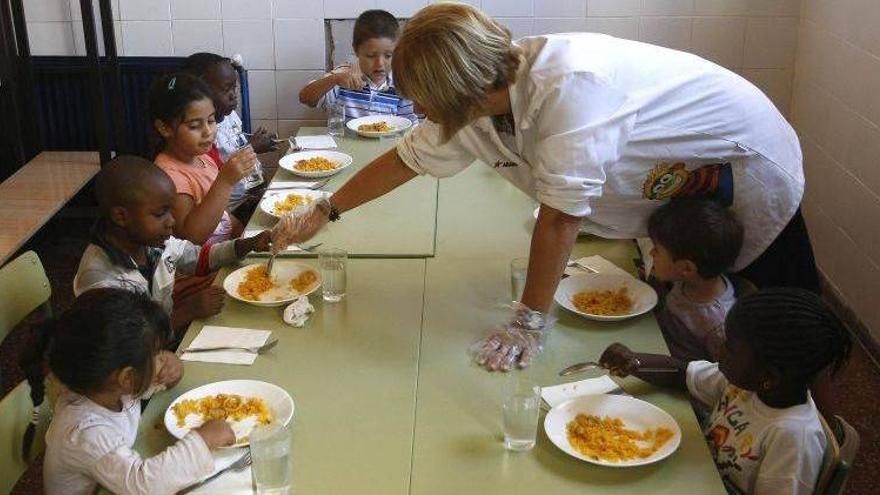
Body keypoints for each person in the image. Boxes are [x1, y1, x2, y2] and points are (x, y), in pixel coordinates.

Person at [273, 3, 817, 371]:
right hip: (675, 194)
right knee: (706, 317)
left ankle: (814, 437)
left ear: (459, 87)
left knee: (785, 330)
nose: (415, 109)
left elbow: (561, 217)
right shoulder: (480, 97)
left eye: (422, 96)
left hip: (743, 167)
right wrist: (327, 208)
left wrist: (527, 323)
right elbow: (405, 157)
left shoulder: (568, 86)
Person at [599, 288, 852, 495]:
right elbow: (682, 373)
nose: (719, 350)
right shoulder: (748, 385)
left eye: (729, 347)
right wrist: (634, 361)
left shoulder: (793, 439)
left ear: (768, 376)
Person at [26, 288, 235, 495]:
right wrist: (203, 440)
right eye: (155, 354)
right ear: (127, 378)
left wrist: (173, 371)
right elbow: (144, 485)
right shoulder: (84, 433)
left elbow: (146, 387)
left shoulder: (107, 386)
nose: (162, 356)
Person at [73, 155, 271, 333]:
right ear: (121, 216)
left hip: (161, 343)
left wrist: (246, 245)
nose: (172, 221)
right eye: (160, 214)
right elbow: (126, 346)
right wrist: (187, 311)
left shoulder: (152, 243)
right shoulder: (102, 281)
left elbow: (200, 258)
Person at [149, 72, 257, 245]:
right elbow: (191, 239)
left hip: (226, 250)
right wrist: (225, 181)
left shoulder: (202, 158)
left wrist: (246, 237)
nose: (208, 131)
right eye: (194, 125)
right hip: (204, 268)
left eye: (211, 120)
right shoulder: (169, 176)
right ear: (164, 128)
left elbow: (222, 216)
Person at [183, 52, 278, 221]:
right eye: (225, 89)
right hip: (232, 209)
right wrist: (252, 148)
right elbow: (216, 173)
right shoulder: (203, 133)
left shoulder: (229, 116)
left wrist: (254, 144)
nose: (233, 95)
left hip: (251, 194)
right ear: (199, 91)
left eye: (234, 88)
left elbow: (234, 147)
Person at [648, 199, 744, 362]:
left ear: (686, 268)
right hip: (653, 338)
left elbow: (722, 375)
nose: (651, 253)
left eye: (656, 250)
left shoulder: (717, 326)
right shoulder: (687, 279)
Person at [298, 9, 417, 122]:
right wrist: (334, 79)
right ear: (356, 50)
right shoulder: (343, 76)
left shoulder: (400, 84)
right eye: (371, 56)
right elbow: (306, 98)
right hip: (344, 142)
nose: (380, 64)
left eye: (388, 56)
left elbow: (408, 125)